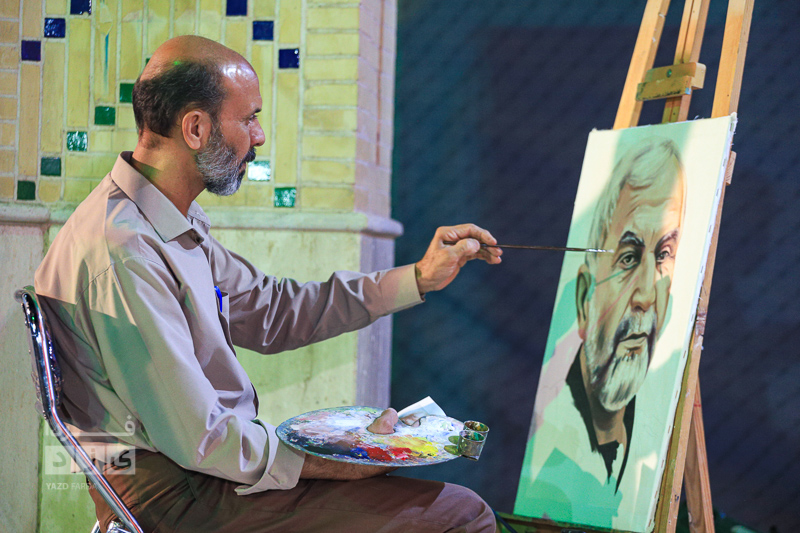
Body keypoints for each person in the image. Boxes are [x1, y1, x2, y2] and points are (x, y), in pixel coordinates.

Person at [34, 35, 502, 532]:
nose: (258, 136)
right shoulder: (125, 250)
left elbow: (274, 310)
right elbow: (203, 438)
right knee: (462, 515)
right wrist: (346, 459)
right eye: (249, 118)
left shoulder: (164, 221)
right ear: (196, 128)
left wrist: (419, 277)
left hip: (205, 473)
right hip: (178, 496)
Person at [516, 138, 686, 525]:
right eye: (628, 258)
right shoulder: (555, 452)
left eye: (663, 254)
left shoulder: (648, 427)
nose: (646, 295)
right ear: (583, 300)